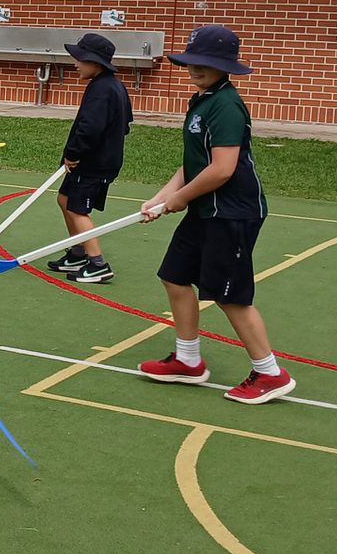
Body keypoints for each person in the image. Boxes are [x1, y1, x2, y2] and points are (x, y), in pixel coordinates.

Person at [138, 25, 295, 405]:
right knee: (175, 277)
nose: (195, 68)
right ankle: (188, 360)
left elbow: (222, 168)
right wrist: (160, 197)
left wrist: (179, 200)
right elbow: (193, 164)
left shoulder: (226, 105)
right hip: (205, 209)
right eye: (192, 61)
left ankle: (270, 373)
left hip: (232, 213)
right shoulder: (202, 100)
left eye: (205, 63)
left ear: (224, 67)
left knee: (231, 296)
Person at [46, 32, 134, 285]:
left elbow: (90, 128)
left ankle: (98, 264)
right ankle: (78, 252)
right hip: (94, 160)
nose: (76, 64)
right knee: (64, 199)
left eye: (80, 59)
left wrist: (73, 154)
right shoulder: (110, 85)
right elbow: (126, 123)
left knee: (77, 208)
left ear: (95, 62)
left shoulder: (103, 89)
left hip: (94, 163)